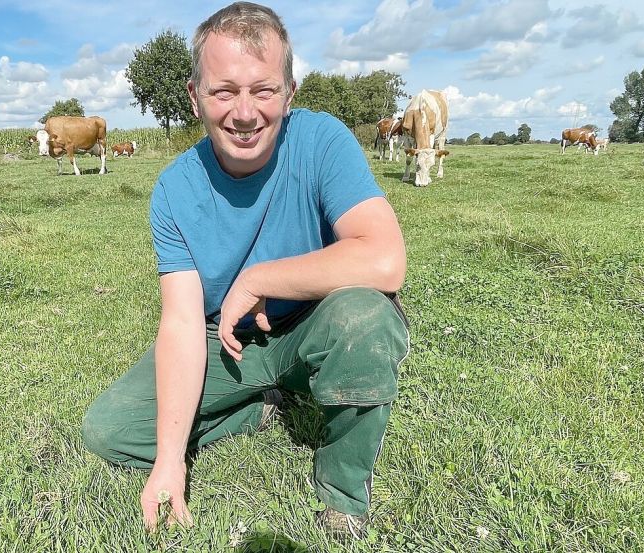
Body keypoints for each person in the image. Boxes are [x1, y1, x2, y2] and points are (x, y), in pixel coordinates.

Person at [81, 1, 409, 541]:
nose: (244, 112)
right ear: (194, 96)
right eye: (223, 91)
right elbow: (184, 323)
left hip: (311, 324)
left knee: (364, 317)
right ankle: (261, 407)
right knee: (110, 429)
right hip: (226, 340)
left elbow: (384, 258)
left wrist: (257, 280)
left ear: (289, 93)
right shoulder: (174, 189)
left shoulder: (323, 142)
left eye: (263, 90)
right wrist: (170, 460)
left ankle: (343, 492)